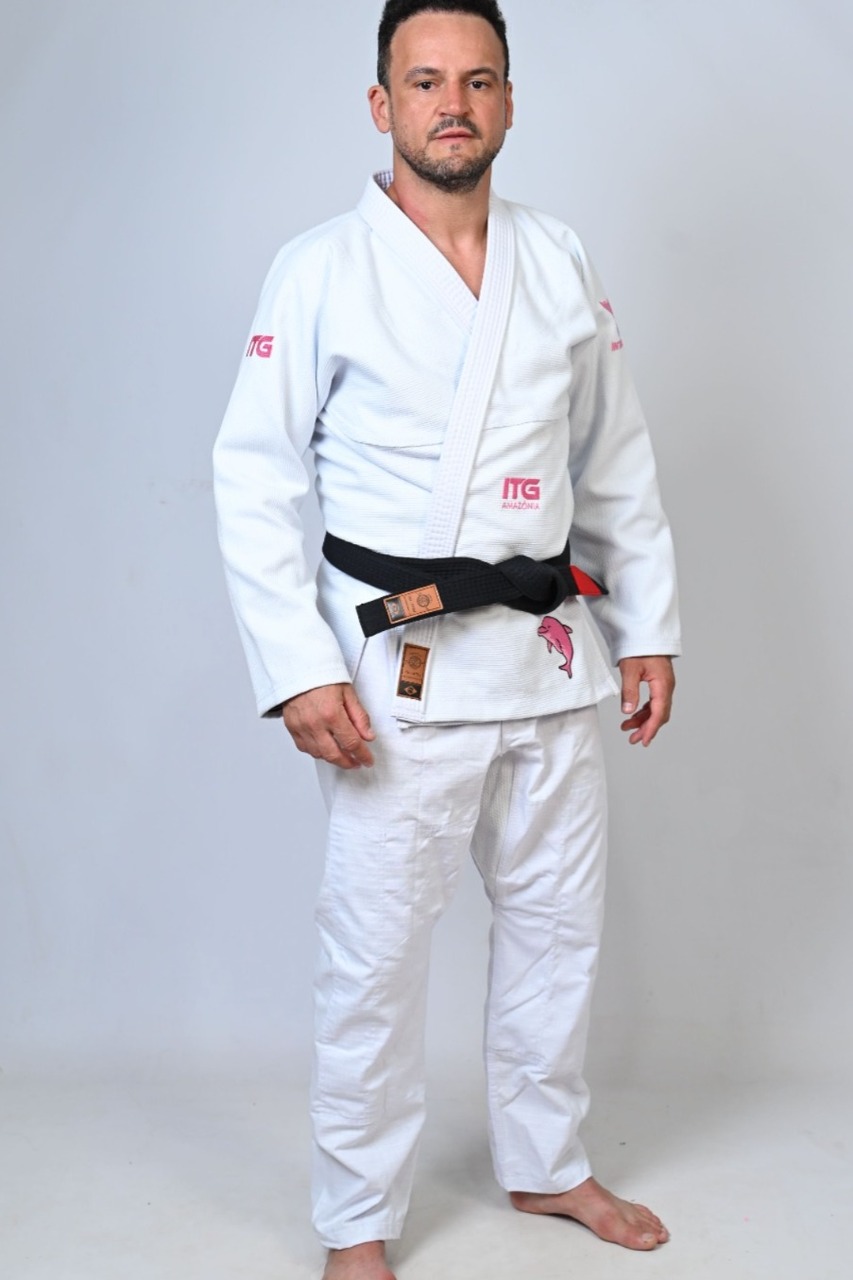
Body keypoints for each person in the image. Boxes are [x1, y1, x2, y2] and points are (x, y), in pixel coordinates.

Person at [213, 2, 681, 1277]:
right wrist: (300, 667)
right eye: (424, 82)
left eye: (478, 81)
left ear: (510, 101)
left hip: (548, 650)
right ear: (383, 105)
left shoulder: (557, 255)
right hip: (398, 669)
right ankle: (356, 1220)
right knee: (373, 959)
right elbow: (252, 475)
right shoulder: (319, 268)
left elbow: (612, 455)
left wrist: (646, 625)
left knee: (557, 931)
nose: (452, 104)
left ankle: (547, 1160)